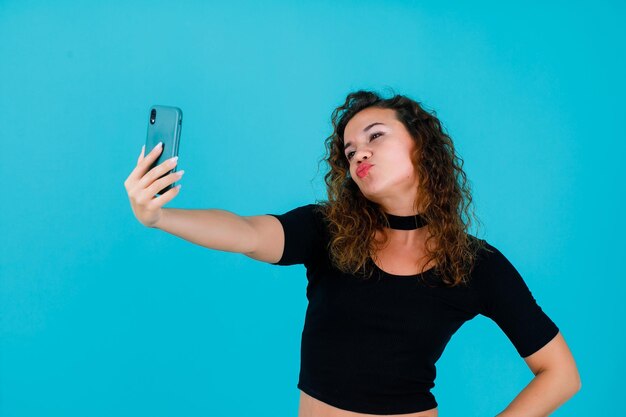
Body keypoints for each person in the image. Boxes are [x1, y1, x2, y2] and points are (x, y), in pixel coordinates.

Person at [124, 90, 581, 416]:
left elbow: (560, 374)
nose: (359, 153)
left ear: (421, 146)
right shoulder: (329, 231)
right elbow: (246, 233)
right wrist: (160, 217)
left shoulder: (475, 263)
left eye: (375, 136)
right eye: (349, 150)